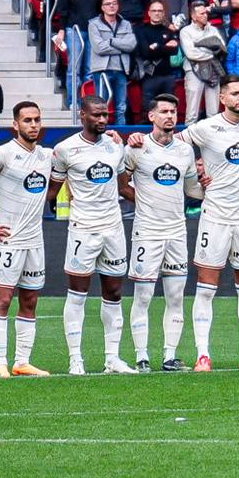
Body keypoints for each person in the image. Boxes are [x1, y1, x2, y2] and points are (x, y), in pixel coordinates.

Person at [186, 78, 239, 371]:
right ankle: (202, 355)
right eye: (234, 93)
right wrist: (193, 176)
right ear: (222, 97)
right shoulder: (205, 128)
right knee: (206, 289)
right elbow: (173, 145)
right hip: (216, 217)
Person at [49, 93, 137, 377]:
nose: (102, 119)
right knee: (77, 294)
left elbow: (124, 187)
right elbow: (51, 191)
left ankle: (112, 358)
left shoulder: (115, 147)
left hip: (113, 229)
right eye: (96, 115)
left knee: (113, 292)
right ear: (82, 116)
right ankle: (76, 360)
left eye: (105, 114)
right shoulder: (65, 149)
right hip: (82, 230)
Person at [0, 101, 54, 377]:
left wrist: (115, 136)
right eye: (27, 120)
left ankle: (22, 362)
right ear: (15, 125)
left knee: (30, 301)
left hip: (35, 241)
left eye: (37, 120)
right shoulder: (2, 153)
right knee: (2, 300)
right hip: (8, 240)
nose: (33, 125)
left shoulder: (47, 155)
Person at [121, 95, 197, 372]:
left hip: (176, 231)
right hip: (147, 232)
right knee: (143, 296)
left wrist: (210, 187)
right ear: (151, 116)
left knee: (176, 297)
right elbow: (122, 182)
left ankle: (169, 356)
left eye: (173, 112)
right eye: (163, 111)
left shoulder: (185, 150)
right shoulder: (138, 147)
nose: (169, 116)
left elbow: (191, 189)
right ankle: (141, 356)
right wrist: (141, 201)